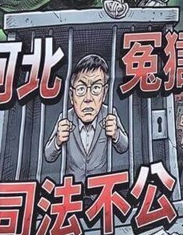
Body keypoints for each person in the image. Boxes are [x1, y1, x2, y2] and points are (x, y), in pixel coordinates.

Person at [44, 54, 128, 182]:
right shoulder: (66, 117)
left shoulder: (109, 113)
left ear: (104, 93)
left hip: (100, 186)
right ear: (71, 96)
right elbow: (48, 155)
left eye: (96, 88)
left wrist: (116, 134)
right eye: (81, 89)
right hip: (73, 187)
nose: (88, 98)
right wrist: (57, 141)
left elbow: (124, 147)